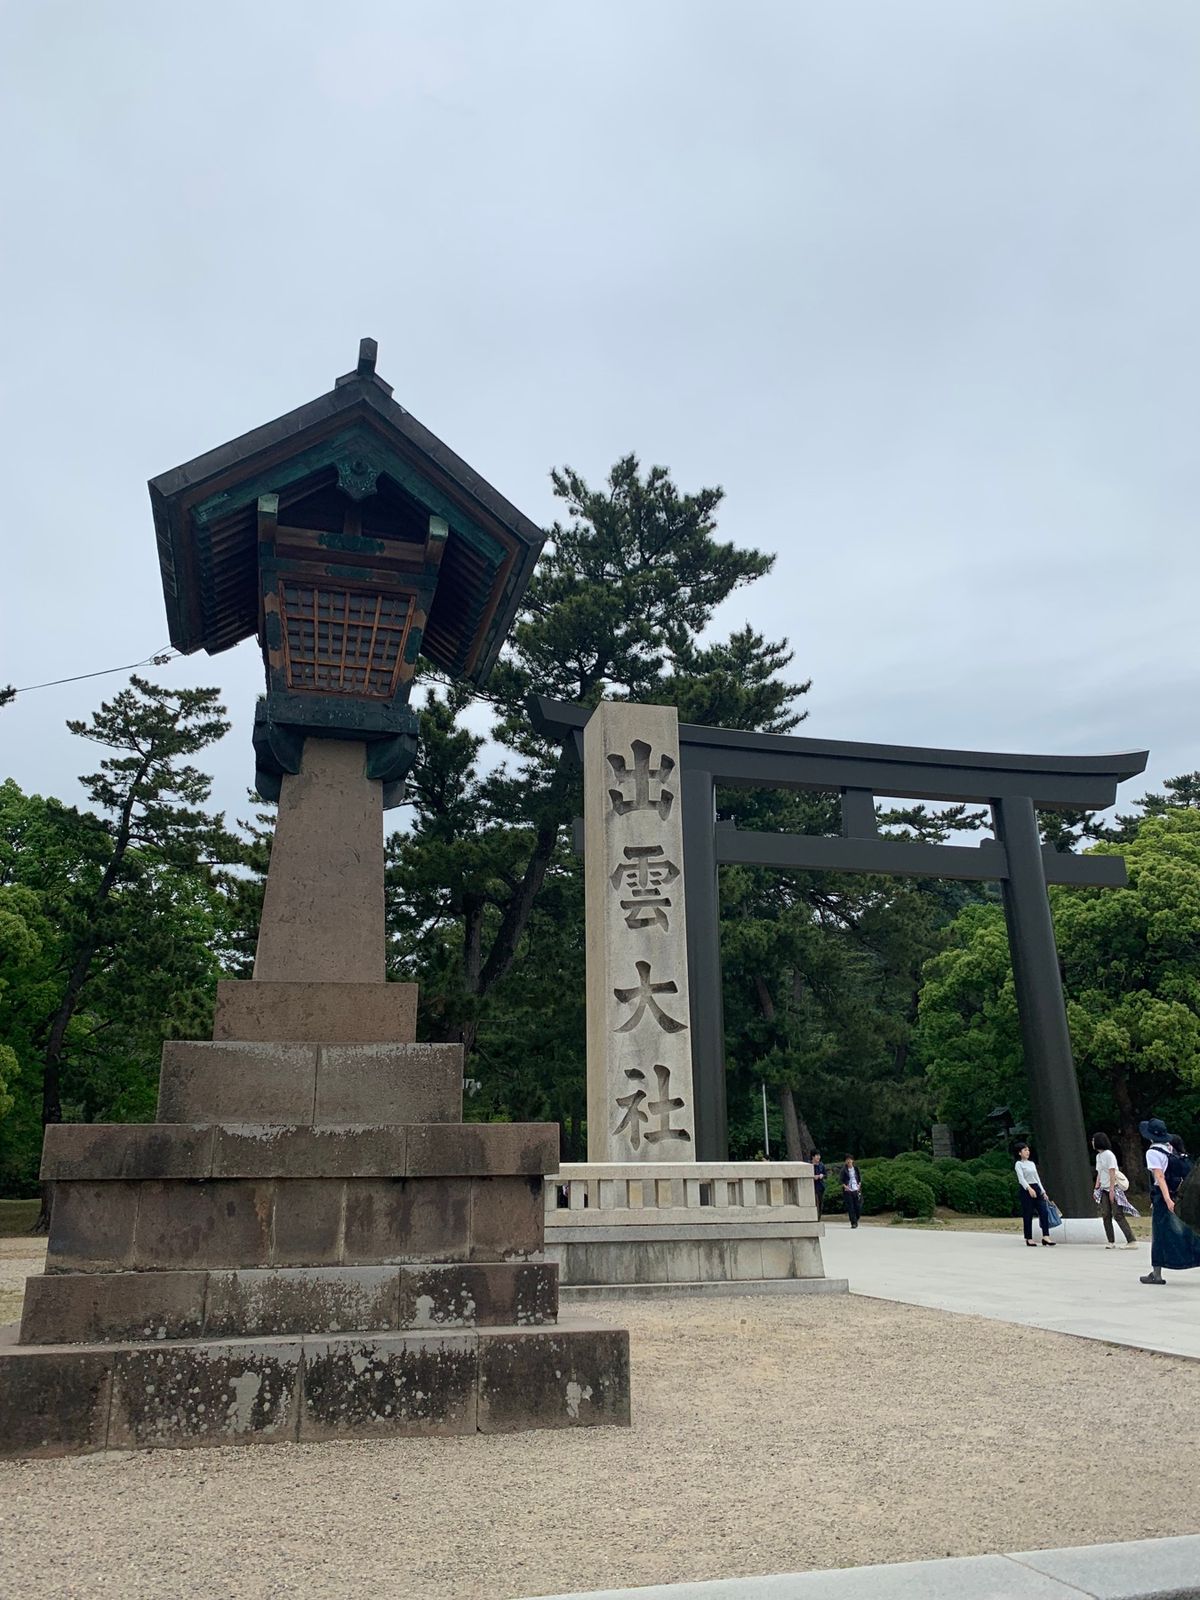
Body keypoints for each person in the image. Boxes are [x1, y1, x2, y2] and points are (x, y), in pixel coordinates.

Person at [1139, 1116, 1200, 1285]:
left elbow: (1159, 1176)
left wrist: (1166, 1199)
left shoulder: (1152, 1152)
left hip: (1164, 1196)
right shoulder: (1169, 1148)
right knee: (1189, 1231)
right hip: (1179, 1195)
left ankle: (1156, 1273)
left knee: (1160, 1233)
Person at [1091, 1132, 1137, 1248]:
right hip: (1103, 1188)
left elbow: (1112, 1172)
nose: (1092, 1142)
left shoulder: (1108, 1155)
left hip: (1114, 1187)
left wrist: (1111, 1190)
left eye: (1093, 1140)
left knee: (1118, 1214)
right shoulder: (1098, 1156)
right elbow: (1099, 1173)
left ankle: (1131, 1240)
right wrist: (1096, 1188)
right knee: (1105, 1214)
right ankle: (1111, 1241)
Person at [1014, 1143, 1055, 1247]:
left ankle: (1046, 1236)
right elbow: (1021, 1178)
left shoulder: (1032, 1164)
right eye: (1024, 1150)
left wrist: (1043, 1191)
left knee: (1044, 1212)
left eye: (1028, 1150)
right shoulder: (1018, 1164)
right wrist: (1029, 1188)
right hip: (1026, 1189)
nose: (1027, 1152)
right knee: (1028, 1214)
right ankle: (1029, 1238)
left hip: (1036, 1187)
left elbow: (1037, 1178)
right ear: (1019, 1153)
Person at [838, 1155, 862, 1229]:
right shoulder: (844, 1170)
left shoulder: (856, 1169)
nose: (849, 1161)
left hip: (856, 1189)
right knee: (851, 1207)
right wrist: (845, 1186)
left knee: (857, 1207)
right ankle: (853, 1222)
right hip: (848, 1191)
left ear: (852, 1160)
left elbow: (860, 1179)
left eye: (850, 1159)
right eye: (847, 1160)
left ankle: (856, 1218)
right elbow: (840, 1180)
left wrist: (859, 1186)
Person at [809, 1150, 827, 1219]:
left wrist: (822, 1175)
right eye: (817, 1155)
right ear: (813, 1156)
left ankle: (818, 1218)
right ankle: (814, 1217)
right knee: (815, 1203)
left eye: (819, 1155)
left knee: (820, 1203)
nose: (818, 1157)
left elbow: (825, 1174)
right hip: (812, 1187)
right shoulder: (809, 1165)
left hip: (820, 1186)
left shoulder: (821, 1165)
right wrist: (813, 1177)